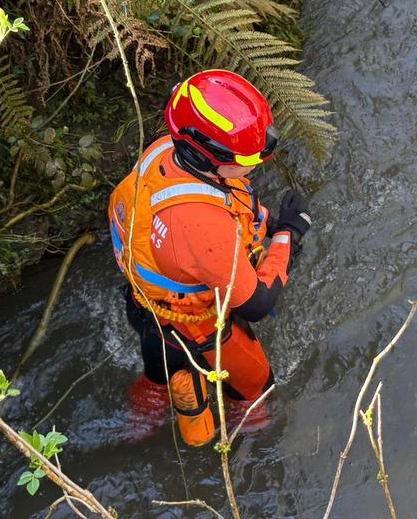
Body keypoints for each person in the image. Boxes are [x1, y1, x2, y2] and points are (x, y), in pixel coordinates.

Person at [108, 70, 311, 446]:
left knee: (157, 380)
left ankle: (138, 426)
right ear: (213, 156)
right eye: (252, 156)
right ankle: (251, 445)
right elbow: (257, 304)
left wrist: (264, 224)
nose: (260, 161)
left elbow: (226, 200)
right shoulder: (200, 229)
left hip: (146, 311)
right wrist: (288, 235)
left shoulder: (165, 152)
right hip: (198, 329)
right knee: (257, 393)